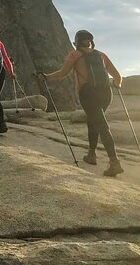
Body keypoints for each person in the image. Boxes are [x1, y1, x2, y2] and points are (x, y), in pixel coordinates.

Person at [41, 30, 124, 177]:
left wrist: (47, 77)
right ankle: (91, 155)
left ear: (77, 42)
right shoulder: (101, 55)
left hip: (88, 94)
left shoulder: (74, 55)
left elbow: (62, 73)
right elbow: (117, 77)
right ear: (91, 41)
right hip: (106, 94)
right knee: (93, 121)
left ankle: (114, 162)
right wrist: (117, 85)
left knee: (101, 125)